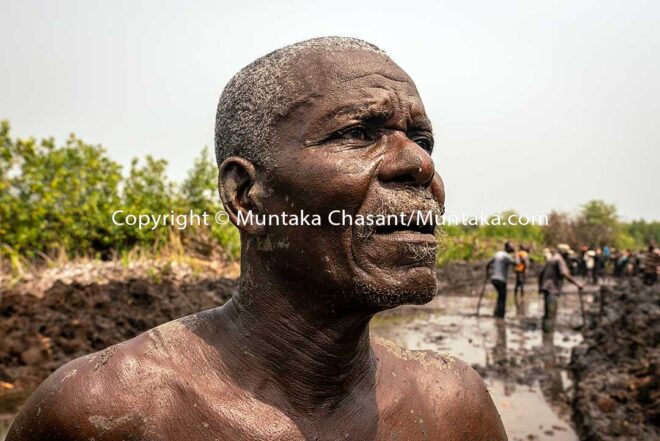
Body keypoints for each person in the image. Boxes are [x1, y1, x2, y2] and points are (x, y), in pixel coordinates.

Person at [7, 37, 506, 441]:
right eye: (358, 133)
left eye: (421, 139)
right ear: (245, 196)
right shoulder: (107, 412)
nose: (420, 165)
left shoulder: (452, 407)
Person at [538, 247, 584, 333]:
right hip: (552, 289)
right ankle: (548, 337)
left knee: (547, 313)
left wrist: (540, 287)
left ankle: (546, 334)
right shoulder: (559, 260)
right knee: (551, 314)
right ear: (564, 253)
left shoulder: (552, 259)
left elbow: (541, 273)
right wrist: (577, 284)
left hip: (547, 288)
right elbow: (565, 274)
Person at [487, 241, 516, 318]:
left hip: (494, 279)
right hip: (501, 280)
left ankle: (497, 311)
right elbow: (516, 263)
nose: (512, 248)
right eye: (511, 247)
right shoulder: (506, 256)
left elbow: (488, 263)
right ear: (507, 247)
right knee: (503, 297)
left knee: (500, 295)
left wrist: (488, 272)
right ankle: (501, 315)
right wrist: (515, 253)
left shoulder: (497, 254)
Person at [513, 244, 530, 312]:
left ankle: (516, 296)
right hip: (521, 269)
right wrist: (526, 268)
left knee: (517, 283)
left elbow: (515, 261)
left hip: (518, 269)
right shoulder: (523, 253)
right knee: (521, 283)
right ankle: (521, 296)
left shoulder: (518, 253)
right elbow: (525, 261)